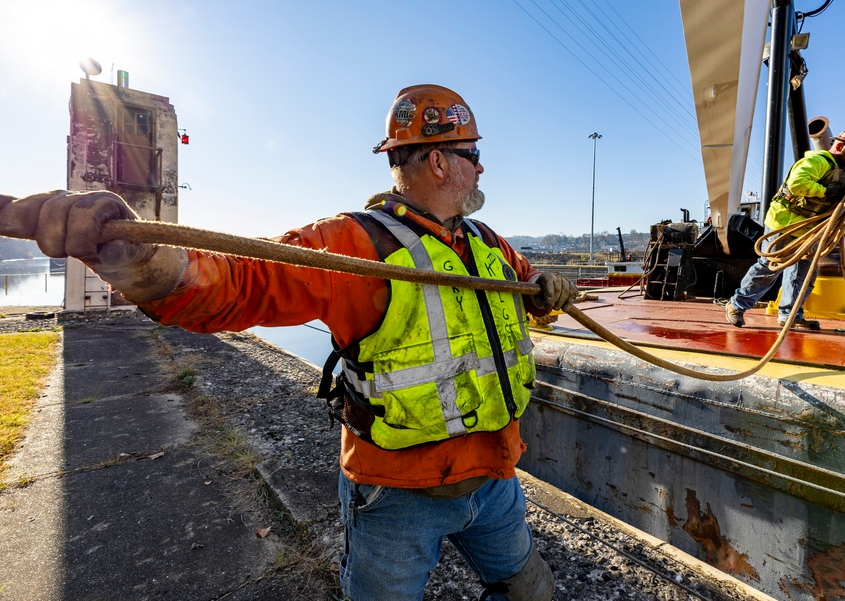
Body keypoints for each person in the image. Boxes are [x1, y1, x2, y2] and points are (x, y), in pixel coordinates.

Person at [0, 84, 578, 601]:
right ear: (438, 161)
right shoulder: (354, 246)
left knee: (530, 588)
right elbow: (244, 281)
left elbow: (522, 295)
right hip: (399, 496)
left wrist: (547, 292)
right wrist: (135, 259)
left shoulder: (489, 245)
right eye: (473, 155)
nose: (482, 169)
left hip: (497, 478)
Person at [725, 127, 845, 330]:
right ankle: (736, 305)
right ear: (839, 145)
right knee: (769, 267)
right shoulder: (817, 161)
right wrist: (826, 192)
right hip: (785, 223)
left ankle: (791, 315)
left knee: (802, 275)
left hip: (809, 231)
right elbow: (798, 184)